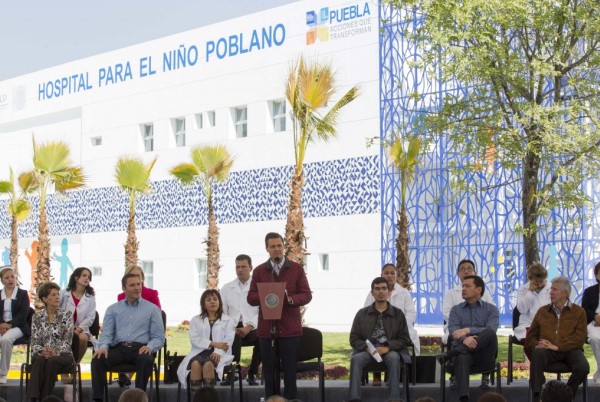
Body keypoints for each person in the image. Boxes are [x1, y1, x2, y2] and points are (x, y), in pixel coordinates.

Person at [247, 232, 312, 400]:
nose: (276, 249)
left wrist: (289, 299)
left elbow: (306, 295)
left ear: (283, 246)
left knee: (290, 370)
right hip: (267, 329)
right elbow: (251, 298)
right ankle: (271, 399)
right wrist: (267, 295)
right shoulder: (260, 271)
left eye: (279, 245)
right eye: (272, 246)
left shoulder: (296, 269)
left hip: (290, 328)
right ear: (267, 249)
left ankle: (290, 399)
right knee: (269, 370)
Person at [91, 273, 165, 402]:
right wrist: (103, 347)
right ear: (124, 289)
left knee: (146, 359)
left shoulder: (152, 309)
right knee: (98, 359)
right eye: (132, 285)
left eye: (139, 284)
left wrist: (149, 346)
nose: (137, 288)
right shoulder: (113, 309)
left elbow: (159, 337)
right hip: (119, 348)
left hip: (141, 348)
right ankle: (98, 399)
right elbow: (107, 333)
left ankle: (138, 397)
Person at [436, 275, 499, 402]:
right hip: (464, 354)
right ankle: (464, 398)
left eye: (467, 286)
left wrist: (467, 330)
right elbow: (453, 329)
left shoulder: (491, 309)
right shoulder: (455, 310)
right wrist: (465, 339)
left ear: (479, 289)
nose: (463, 289)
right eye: (463, 286)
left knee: (490, 333)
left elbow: (491, 329)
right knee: (462, 356)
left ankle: (451, 353)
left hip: (484, 354)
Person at [526, 276, 589, 402]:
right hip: (546, 351)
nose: (551, 292)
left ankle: (566, 396)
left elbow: (580, 338)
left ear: (565, 293)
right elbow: (531, 336)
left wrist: (558, 346)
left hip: (570, 350)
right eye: (551, 289)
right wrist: (538, 344)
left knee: (583, 367)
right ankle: (537, 398)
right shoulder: (542, 311)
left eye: (555, 289)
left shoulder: (579, 312)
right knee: (537, 353)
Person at [348, 277, 411, 402]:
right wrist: (367, 348)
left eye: (384, 288)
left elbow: (404, 339)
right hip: (367, 352)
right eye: (377, 289)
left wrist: (387, 347)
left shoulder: (398, 314)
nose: (381, 292)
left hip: (390, 351)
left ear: (389, 292)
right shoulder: (362, 314)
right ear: (372, 293)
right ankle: (354, 399)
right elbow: (353, 338)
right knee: (355, 359)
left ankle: (394, 399)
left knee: (394, 358)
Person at [442, 259, 493, 389]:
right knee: (453, 335)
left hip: (479, 332)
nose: (466, 271)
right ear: (458, 274)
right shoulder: (451, 293)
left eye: (469, 268)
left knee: (488, 334)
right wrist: (462, 332)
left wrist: (469, 330)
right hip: (458, 330)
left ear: (475, 272)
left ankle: (485, 375)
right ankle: (454, 375)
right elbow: (447, 313)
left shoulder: (484, 293)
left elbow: (490, 320)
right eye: (462, 269)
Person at [177, 289, 235, 394]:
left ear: (219, 302)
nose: (212, 302)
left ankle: (208, 398)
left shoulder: (228, 320)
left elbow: (228, 342)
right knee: (195, 364)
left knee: (208, 364)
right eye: (208, 300)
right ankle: (197, 398)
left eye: (215, 299)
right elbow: (194, 339)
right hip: (199, 351)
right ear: (203, 304)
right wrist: (213, 343)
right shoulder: (196, 320)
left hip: (220, 354)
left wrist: (218, 351)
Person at [27, 282, 74, 401]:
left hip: (63, 355)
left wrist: (55, 351)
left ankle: (43, 399)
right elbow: (35, 340)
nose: (57, 297)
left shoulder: (66, 315)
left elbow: (67, 341)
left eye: (57, 294)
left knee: (52, 361)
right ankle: (33, 398)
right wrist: (43, 351)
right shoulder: (37, 317)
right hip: (42, 354)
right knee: (38, 359)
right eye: (53, 295)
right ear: (45, 298)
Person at [116, 264, 161, 387]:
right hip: (127, 337)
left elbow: (158, 315)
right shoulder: (121, 296)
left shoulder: (151, 293)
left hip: (146, 335)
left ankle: (129, 380)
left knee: (142, 353)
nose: (137, 279)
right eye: (133, 276)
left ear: (142, 278)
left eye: (139, 276)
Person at [220, 254, 261, 386]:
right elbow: (222, 311)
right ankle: (232, 372)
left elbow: (263, 311)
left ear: (251, 268)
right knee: (231, 336)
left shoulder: (258, 287)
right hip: (231, 326)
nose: (240, 270)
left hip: (252, 326)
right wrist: (230, 327)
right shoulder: (227, 288)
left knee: (263, 338)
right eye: (237, 267)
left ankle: (252, 373)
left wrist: (249, 327)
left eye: (243, 267)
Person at [0, 265, 30, 384]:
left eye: (12, 277)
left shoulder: (23, 294)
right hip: (2, 326)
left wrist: (9, 325)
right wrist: (2, 325)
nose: (10, 280)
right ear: (2, 280)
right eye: (7, 278)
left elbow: (23, 314)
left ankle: (3, 374)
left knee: (6, 339)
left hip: (18, 326)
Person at [59, 267, 97, 362]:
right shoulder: (64, 293)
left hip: (82, 329)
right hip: (64, 328)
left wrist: (79, 329)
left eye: (89, 276)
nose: (87, 278)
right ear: (76, 278)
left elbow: (91, 316)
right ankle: (65, 365)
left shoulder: (90, 296)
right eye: (84, 275)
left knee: (83, 338)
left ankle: (75, 364)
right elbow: (57, 311)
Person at [514, 263, 550, 340]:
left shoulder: (551, 289)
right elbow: (522, 310)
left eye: (542, 281)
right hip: (527, 324)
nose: (540, 284)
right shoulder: (523, 289)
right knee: (529, 336)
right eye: (536, 282)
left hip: (547, 324)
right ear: (530, 279)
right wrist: (530, 293)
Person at [582, 260, 600, 382]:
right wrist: (594, 316)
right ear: (597, 275)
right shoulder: (589, 291)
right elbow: (584, 309)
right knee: (595, 338)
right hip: (594, 323)